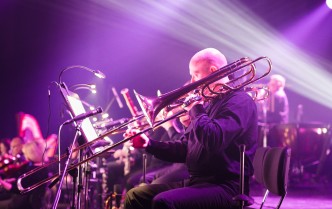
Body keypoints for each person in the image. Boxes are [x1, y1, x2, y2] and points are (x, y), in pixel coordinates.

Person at [124, 48, 258, 209]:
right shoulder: (209, 104)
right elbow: (185, 148)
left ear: (213, 71)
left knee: (163, 202)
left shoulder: (239, 101)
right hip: (198, 182)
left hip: (227, 186)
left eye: (195, 74)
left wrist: (196, 108)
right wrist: (149, 144)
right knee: (135, 195)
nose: (192, 80)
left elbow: (214, 140)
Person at [0, 139, 48, 209]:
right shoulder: (42, 167)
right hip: (24, 200)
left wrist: (2, 182)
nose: (25, 156)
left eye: (25, 154)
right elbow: (24, 182)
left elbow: (17, 189)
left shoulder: (33, 170)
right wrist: (11, 180)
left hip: (23, 203)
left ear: (32, 154)